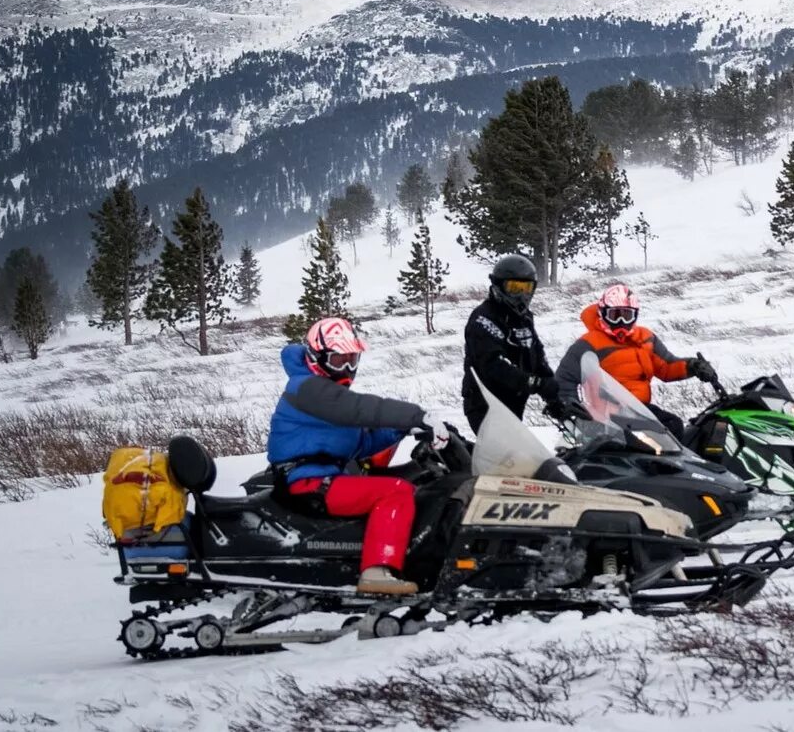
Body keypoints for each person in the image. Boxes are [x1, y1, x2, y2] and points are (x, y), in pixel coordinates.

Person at [267, 316, 450, 597]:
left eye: (353, 359)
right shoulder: (307, 387)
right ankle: (377, 571)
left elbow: (361, 443)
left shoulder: (323, 393)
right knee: (395, 492)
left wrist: (403, 429)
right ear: (318, 357)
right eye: (340, 360)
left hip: (321, 477)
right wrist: (417, 415)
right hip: (307, 481)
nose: (349, 368)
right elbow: (358, 408)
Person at [553, 283, 716, 440]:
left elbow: (666, 366)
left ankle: (673, 467)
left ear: (635, 315)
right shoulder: (589, 343)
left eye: (626, 315)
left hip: (640, 409)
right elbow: (564, 379)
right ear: (602, 313)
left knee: (673, 426)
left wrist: (694, 366)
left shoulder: (645, 338)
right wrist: (573, 409)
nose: (621, 322)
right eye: (615, 316)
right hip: (607, 416)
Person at [461, 254, 557, 431]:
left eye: (526, 288)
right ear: (498, 286)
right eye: (514, 288)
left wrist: (554, 392)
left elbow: (536, 354)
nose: (522, 295)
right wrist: (535, 383)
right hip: (486, 402)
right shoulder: (483, 319)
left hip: (514, 401)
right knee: (506, 455)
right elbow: (494, 366)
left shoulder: (524, 319)